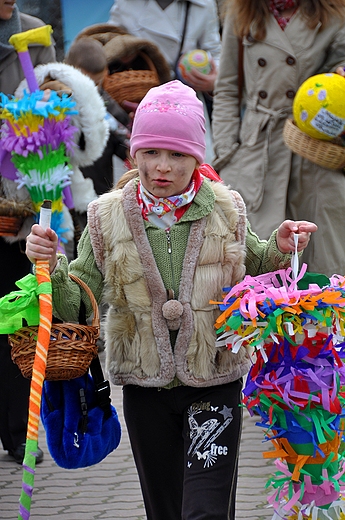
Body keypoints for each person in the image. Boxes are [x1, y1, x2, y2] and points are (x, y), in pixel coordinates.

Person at [25, 80, 317, 520]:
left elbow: (255, 260)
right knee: (165, 509)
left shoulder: (226, 207)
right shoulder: (106, 217)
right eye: (151, 152)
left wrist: (280, 244)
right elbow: (78, 302)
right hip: (146, 385)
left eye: (177, 155)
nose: (162, 166)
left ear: (197, 158)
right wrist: (49, 268)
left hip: (214, 381)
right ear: (134, 154)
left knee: (205, 510)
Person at [212, 0, 345, 278]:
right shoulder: (242, 11)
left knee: (324, 270)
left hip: (313, 152)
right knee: (252, 272)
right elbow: (226, 90)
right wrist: (225, 154)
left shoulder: (334, 14)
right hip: (255, 154)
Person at [0, 0, 56, 464]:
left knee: (17, 314)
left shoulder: (34, 34)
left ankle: (21, 431)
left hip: (17, 195)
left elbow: (56, 97)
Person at [108, 0, 221, 163]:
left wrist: (212, 81)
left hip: (186, 104)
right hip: (139, 104)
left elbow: (215, 52)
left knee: (190, 170)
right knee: (140, 171)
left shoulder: (203, 4)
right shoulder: (126, 3)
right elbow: (111, 42)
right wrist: (123, 51)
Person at [65, 38, 131, 198]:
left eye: (97, 83)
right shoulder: (54, 103)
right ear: (67, 70)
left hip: (96, 201)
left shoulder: (110, 110)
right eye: (84, 83)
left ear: (106, 72)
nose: (92, 90)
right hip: (59, 197)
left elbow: (131, 152)